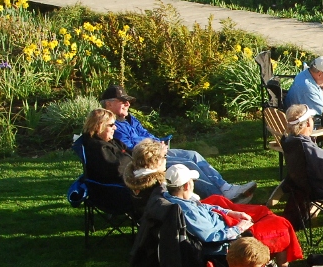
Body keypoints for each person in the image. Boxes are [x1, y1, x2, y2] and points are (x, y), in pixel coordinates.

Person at [99, 83, 255, 202]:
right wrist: (156, 148)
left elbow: (145, 134)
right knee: (188, 165)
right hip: (147, 160)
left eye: (128, 101)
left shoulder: (129, 119)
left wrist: (158, 143)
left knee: (193, 155)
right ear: (108, 104)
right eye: (122, 101)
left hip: (157, 151)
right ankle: (221, 200)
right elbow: (133, 148)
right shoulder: (111, 126)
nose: (128, 104)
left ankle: (226, 188)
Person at [162, 163, 252, 252]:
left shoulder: (170, 197)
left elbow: (203, 207)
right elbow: (213, 238)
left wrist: (230, 212)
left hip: (224, 227)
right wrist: (239, 228)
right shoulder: (189, 212)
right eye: (193, 181)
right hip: (225, 245)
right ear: (187, 186)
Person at [122, 138, 168, 220]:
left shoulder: (133, 177)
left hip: (143, 218)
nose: (166, 159)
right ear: (155, 160)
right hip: (161, 220)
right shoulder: (160, 184)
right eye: (164, 156)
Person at [80, 108, 128, 185]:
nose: (115, 128)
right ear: (98, 126)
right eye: (111, 125)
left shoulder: (112, 141)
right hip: (117, 187)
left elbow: (130, 152)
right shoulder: (97, 147)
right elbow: (116, 170)